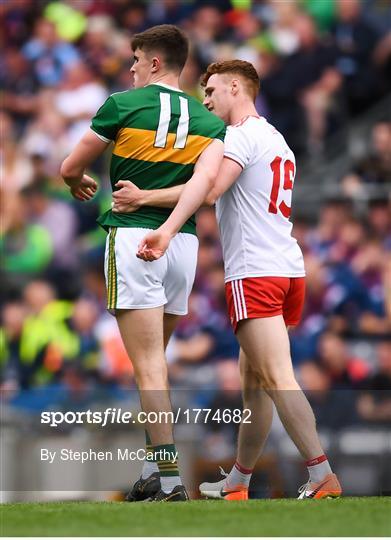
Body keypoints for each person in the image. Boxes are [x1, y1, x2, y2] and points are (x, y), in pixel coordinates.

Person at [118, 60, 342, 500]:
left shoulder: (239, 136)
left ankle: (322, 475)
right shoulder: (276, 137)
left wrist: (146, 195)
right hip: (287, 269)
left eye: (212, 91)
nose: (206, 100)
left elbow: (211, 190)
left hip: (254, 272)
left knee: (276, 377)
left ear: (237, 87)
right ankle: (238, 482)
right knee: (254, 382)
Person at [60, 24, 225, 502]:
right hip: (183, 243)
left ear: (155, 62)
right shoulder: (208, 120)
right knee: (157, 367)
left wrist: (76, 182)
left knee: (149, 368)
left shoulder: (122, 105)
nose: (130, 67)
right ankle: (156, 469)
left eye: (136, 59)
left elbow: (71, 166)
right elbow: (207, 189)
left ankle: (170, 479)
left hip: (134, 239)